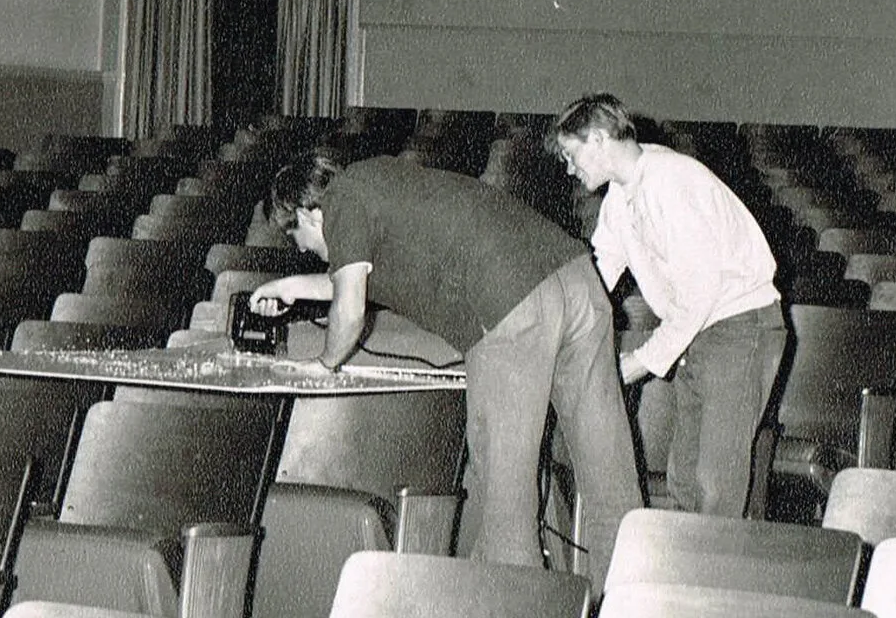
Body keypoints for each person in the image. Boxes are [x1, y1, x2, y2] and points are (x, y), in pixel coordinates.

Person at [253, 152, 644, 588]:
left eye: (296, 236)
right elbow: (354, 279)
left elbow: (350, 308)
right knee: (610, 477)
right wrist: (289, 287)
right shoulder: (377, 183)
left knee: (505, 506)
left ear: (309, 213)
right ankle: (630, 601)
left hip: (511, 301)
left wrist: (325, 365)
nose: (303, 249)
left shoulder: (342, 199)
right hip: (577, 281)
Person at [547, 95, 786, 519]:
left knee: (716, 484)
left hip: (739, 329)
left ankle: (721, 562)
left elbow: (699, 295)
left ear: (599, 139)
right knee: (685, 478)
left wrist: (637, 363)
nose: (569, 168)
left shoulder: (671, 181)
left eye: (571, 154)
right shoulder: (622, 196)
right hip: (702, 334)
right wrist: (557, 326)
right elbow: (599, 272)